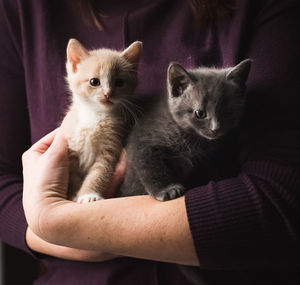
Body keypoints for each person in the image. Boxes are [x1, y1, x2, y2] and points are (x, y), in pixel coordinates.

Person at [1, 0, 300, 284]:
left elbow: (283, 195)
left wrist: (64, 225)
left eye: (119, 83)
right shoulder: (22, 9)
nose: (106, 93)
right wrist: (45, 225)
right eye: (95, 83)